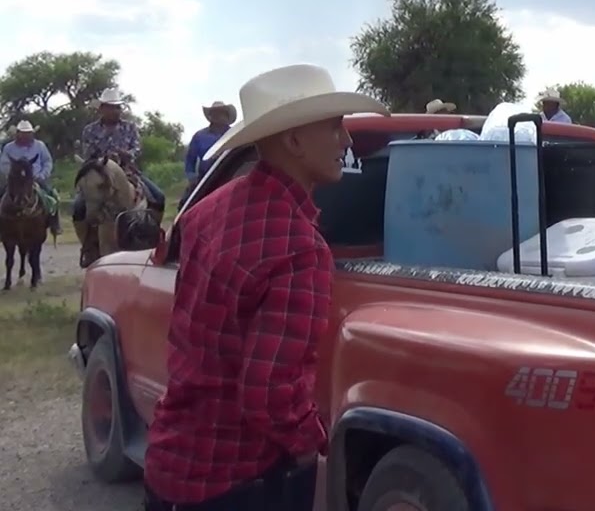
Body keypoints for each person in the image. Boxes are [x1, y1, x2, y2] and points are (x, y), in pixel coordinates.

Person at [143, 64, 389, 511]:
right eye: (334, 127)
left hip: (171, 459)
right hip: (240, 479)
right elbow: (270, 395)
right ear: (294, 142)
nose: (346, 141)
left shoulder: (206, 211)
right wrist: (313, 445)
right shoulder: (299, 247)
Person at [74, 88, 165, 218]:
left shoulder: (130, 127)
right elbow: (89, 155)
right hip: (100, 173)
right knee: (78, 207)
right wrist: (105, 158)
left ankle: (153, 228)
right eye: (112, 107)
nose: (116, 111)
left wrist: (127, 154)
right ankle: (84, 230)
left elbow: (137, 148)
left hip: (128, 171)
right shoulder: (90, 130)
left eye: (118, 107)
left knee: (158, 197)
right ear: (102, 109)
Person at [0, 120, 60, 234]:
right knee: (1, 194)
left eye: (28, 133)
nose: (25, 136)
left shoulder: (40, 146)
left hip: (36, 178)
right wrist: (12, 175)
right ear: (17, 133)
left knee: (53, 196)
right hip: (15, 181)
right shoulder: (8, 148)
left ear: (32, 133)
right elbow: (3, 163)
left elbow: (47, 162)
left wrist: (42, 175)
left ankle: (54, 224)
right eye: (22, 133)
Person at [184, 101, 237, 184]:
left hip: (230, 179)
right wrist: (192, 177)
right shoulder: (199, 136)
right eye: (214, 112)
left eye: (221, 112)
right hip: (205, 181)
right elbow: (190, 159)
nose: (218, 115)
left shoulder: (235, 133)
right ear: (210, 116)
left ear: (227, 115)